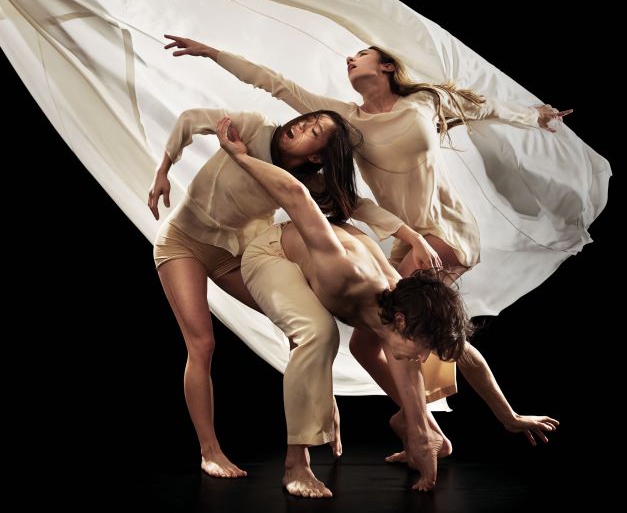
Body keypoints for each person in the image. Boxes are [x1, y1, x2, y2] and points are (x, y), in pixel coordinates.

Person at [163, 35, 562, 457]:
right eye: (351, 56)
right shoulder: (346, 122)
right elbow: (275, 83)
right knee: (372, 342)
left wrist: (534, 116)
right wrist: (213, 53)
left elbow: (480, 107)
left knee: (403, 332)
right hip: (405, 237)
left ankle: (427, 431)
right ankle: (430, 425)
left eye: (363, 54)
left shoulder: (426, 100)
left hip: (444, 231)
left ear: (387, 66)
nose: (351, 58)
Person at [216, 116, 471, 494]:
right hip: (271, 253)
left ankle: (424, 433)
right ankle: (295, 465)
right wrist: (239, 156)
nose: (423, 358)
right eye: (423, 348)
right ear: (402, 322)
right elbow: (297, 196)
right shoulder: (344, 272)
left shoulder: (402, 305)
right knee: (319, 334)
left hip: (322, 259)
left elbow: (414, 362)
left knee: (366, 346)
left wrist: (424, 434)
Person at [149, 107, 404, 478]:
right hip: (182, 244)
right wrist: (163, 169)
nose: (301, 125)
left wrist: (411, 237)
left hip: (234, 255)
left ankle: (322, 405)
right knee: (201, 345)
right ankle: (210, 451)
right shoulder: (253, 127)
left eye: (313, 131)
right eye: (306, 120)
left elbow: (356, 204)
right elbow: (190, 118)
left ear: (316, 157)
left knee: (304, 326)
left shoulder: (306, 180)